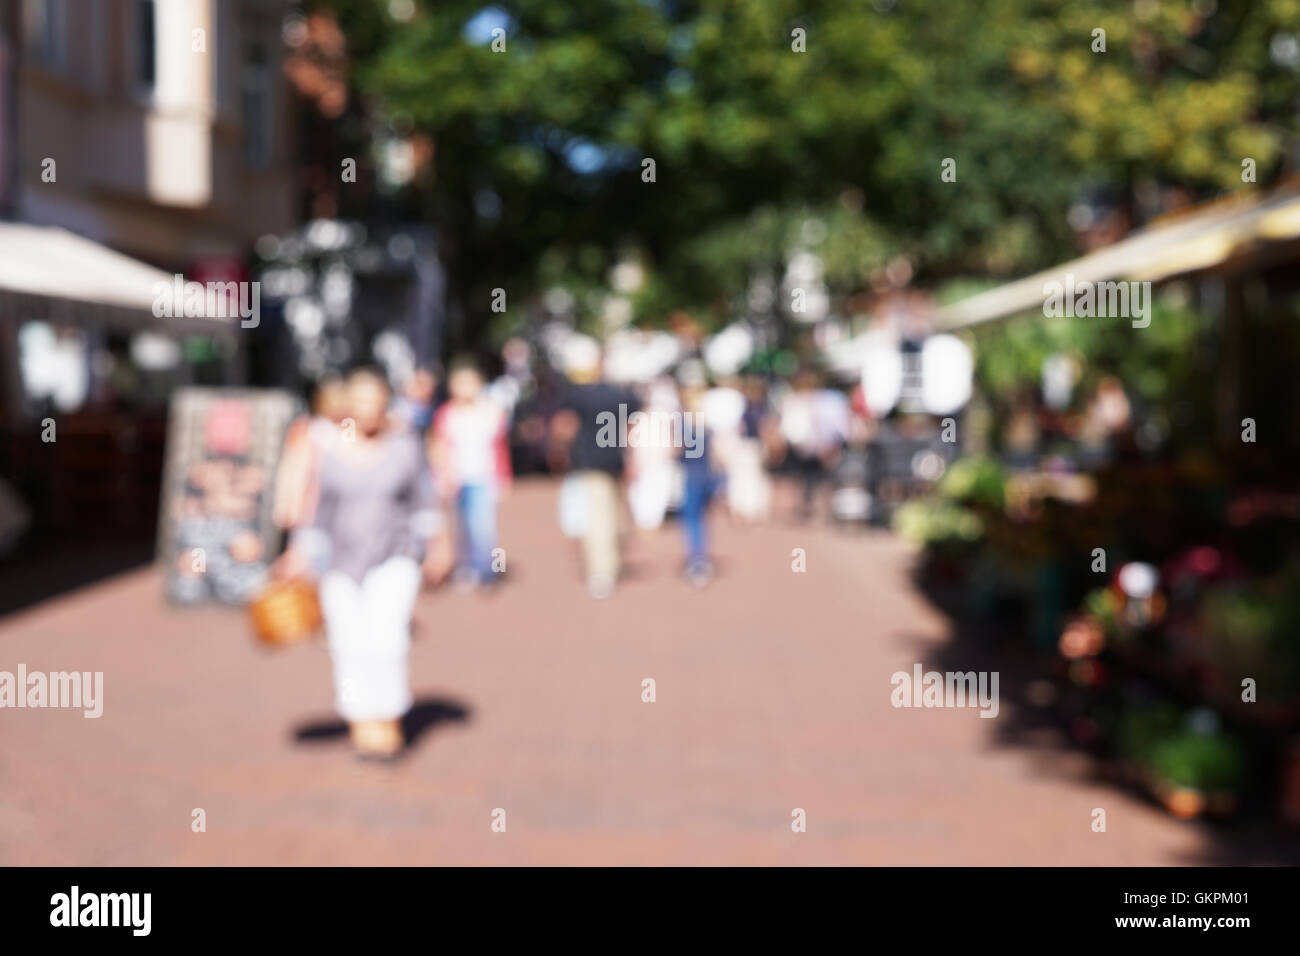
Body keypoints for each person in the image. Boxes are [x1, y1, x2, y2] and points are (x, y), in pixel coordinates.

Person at [279, 368, 438, 759]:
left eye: (375, 401)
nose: (368, 411)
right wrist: (301, 552)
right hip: (341, 560)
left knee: (387, 638)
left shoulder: (405, 445)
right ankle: (360, 717)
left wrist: (436, 544)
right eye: (360, 402)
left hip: (394, 555)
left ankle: (388, 715)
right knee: (349, 642)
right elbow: (321, 512)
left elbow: (424, 501)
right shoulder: (331, 451)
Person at [549, 344, 638, 599]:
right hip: (614, 460)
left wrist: (559, 452)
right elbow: (631, 429)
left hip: (589, 462)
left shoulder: (578, 395)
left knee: (598, 517)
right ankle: (611, 561)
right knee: (613, 513)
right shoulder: (621, 395)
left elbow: (565, 427)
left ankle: (602, 571)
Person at [429, 360, 511, 588]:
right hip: (457, 478)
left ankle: (488, 569)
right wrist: (442, 475)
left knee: (484, 526)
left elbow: (500, 447)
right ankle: (466, 566)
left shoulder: (491, 412)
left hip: (484, 476)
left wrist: (504, 478)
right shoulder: (447, 414)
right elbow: (440, 445)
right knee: (461, 525)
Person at [271, 378, 348, 531]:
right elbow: (292, 469)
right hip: (309, 505)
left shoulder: (348, 430)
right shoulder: (306, 428)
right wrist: (285, 504)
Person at [678, 383, 720, 586]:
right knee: (701, 519)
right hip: (706, 476)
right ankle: (701, 558)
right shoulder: (707, 425)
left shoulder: (684, 424)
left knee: (692, 519)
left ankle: (697, 560)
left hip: (691, 476)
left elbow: (675, 450)